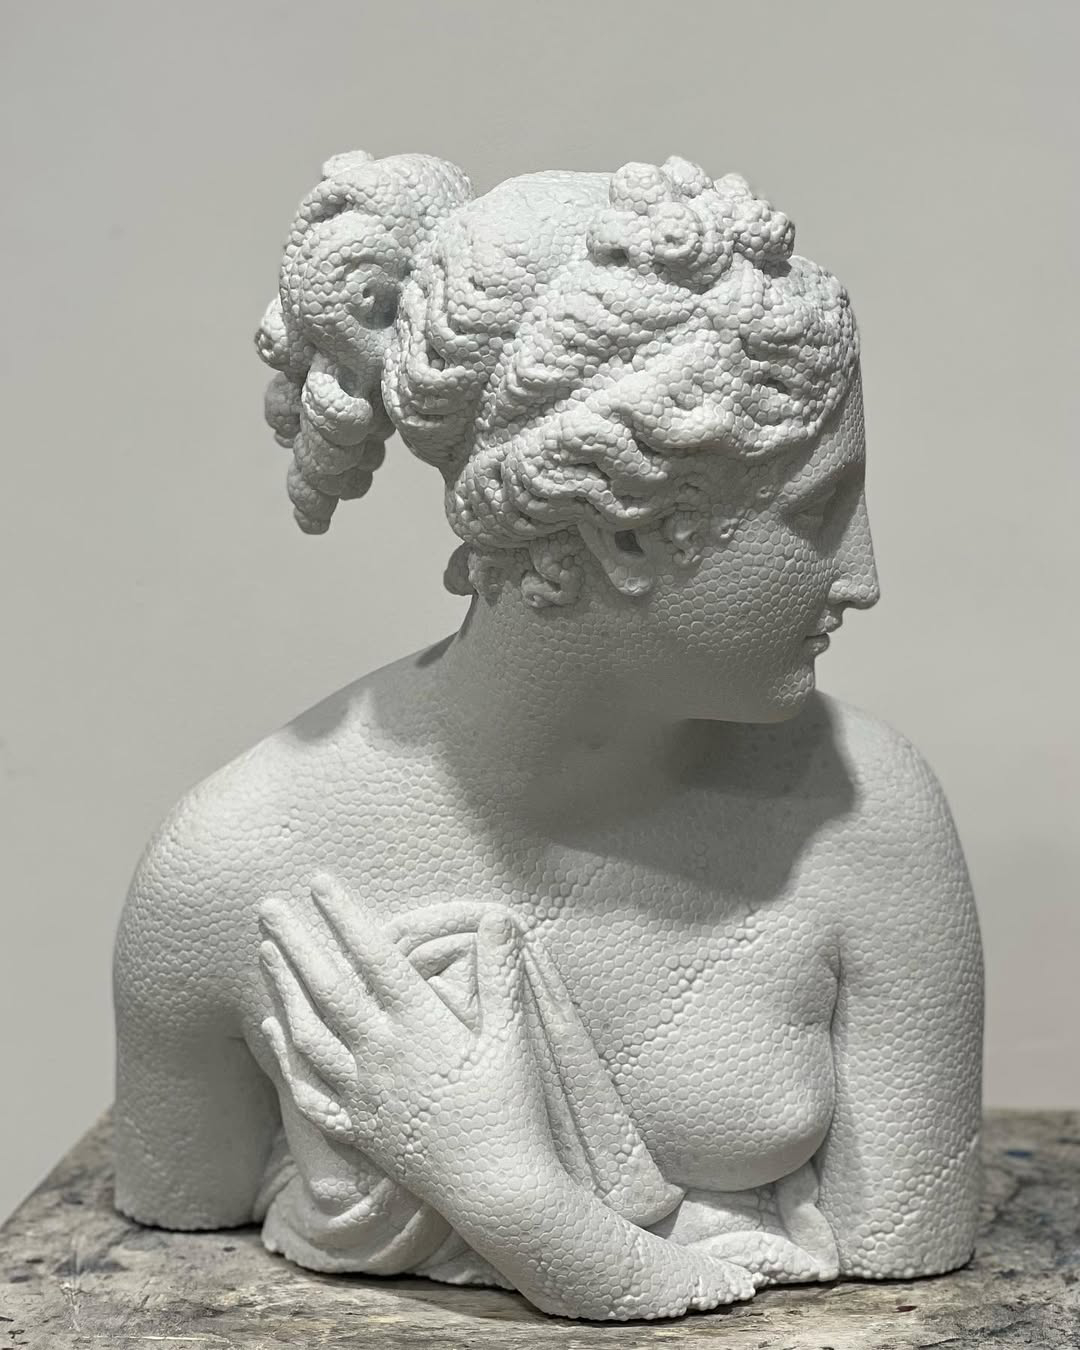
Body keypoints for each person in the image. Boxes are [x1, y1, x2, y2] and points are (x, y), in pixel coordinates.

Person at [113, 152, 983, 1321]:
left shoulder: (871, 818)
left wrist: (513, 1200)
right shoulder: (229, 871)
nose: (862, 578)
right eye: (818, 511)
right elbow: (166, 1272)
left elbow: (907, 1271)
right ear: (618, 532)